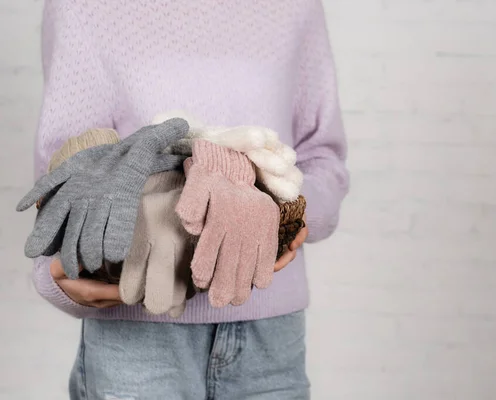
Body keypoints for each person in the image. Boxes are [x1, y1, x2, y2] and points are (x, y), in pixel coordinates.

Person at [32, 0, 349, 398]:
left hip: (270, 339)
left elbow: (322, 156)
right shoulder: (84, 7)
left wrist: (280, 213)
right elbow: (68, 172)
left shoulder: (294, 7)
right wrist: (62, 277)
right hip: (138, 332)